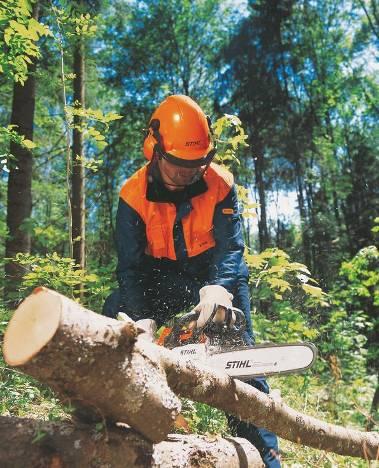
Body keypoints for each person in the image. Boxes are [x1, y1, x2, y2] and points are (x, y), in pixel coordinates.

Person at [103, 94, 280, 467]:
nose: (189, 173)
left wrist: (219, 287)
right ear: (155, 152)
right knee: (115, 314)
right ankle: (116, 436)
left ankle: (265, 456)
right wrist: (141, 318)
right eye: (180, 165)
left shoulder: (219, 182)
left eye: (198, 164)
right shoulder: (132, 195)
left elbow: (231, 249)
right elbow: (130, 268)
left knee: (241, 358)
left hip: (211, 275)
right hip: (158, 275)